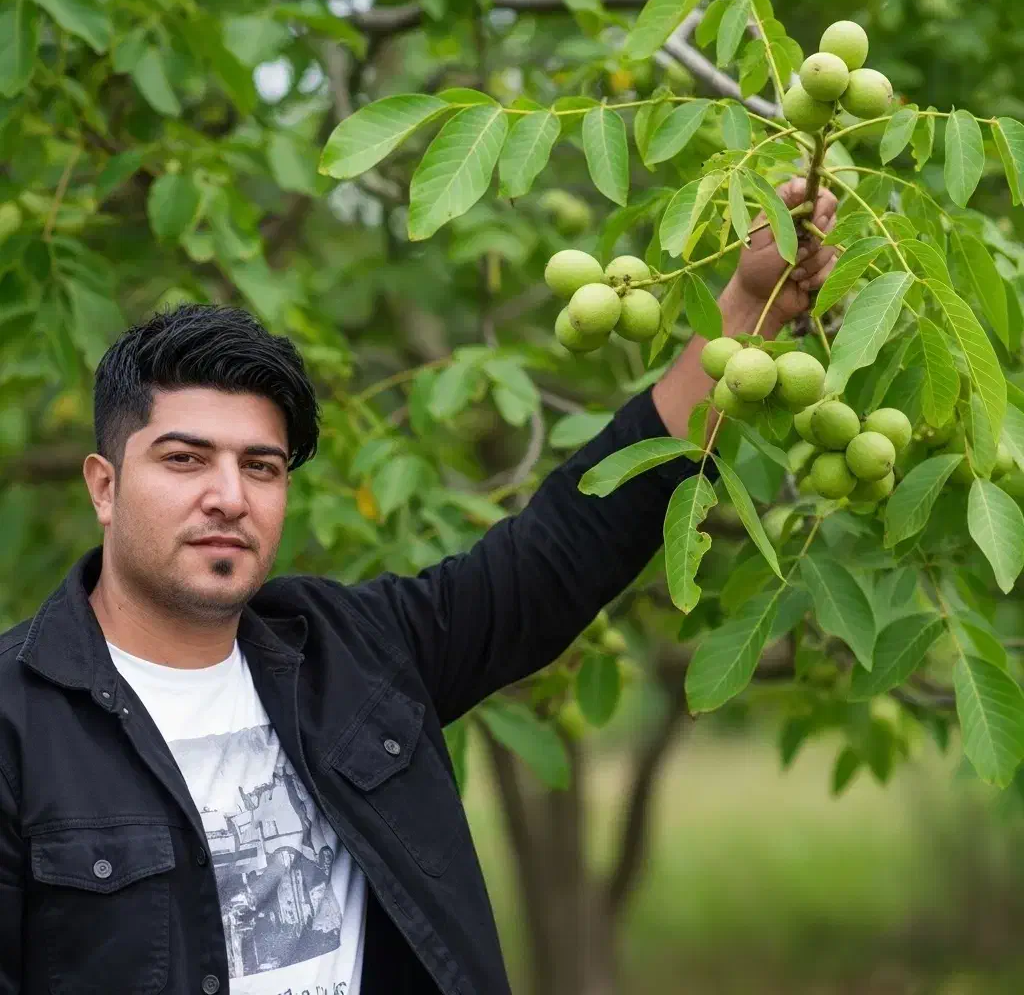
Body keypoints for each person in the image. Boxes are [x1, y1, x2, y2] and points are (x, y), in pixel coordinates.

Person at [0, 178, 838, 995]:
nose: (228, 495)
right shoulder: (15, 721)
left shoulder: (354, 652)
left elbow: (562, 553)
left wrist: (742, 307)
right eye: (184, 459)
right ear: (103, 486)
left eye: (261, 466)